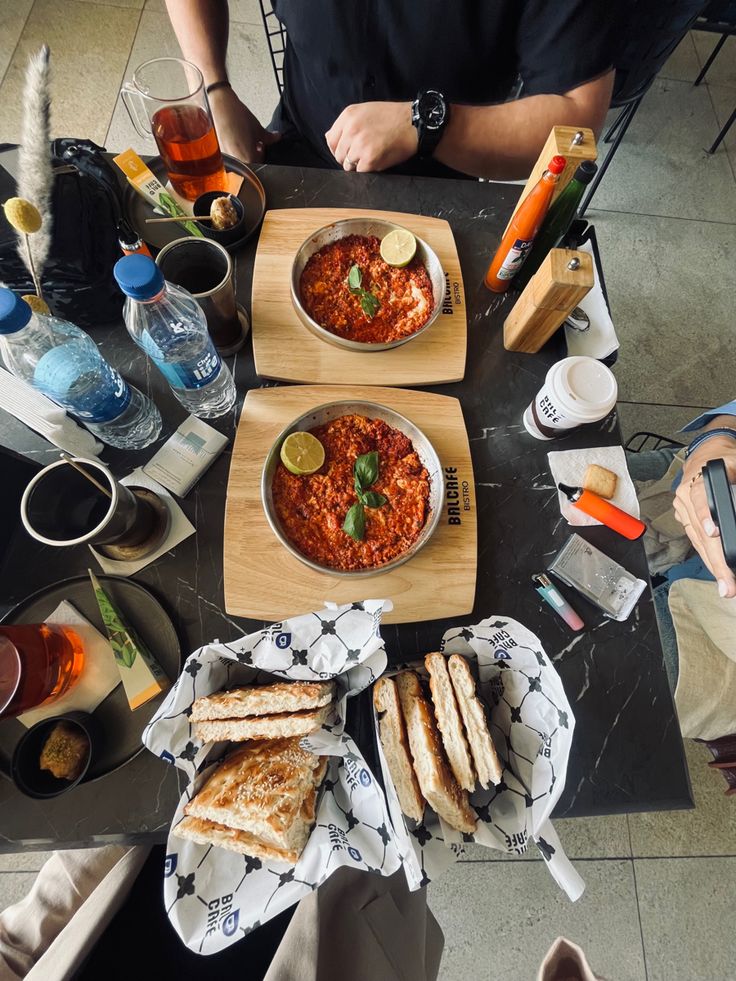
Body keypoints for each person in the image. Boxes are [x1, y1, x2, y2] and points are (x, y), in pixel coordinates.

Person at [164, 0, 616, 179]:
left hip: (446, 172)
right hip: (298, 144)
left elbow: (579, 115)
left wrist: (429, 125)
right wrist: (213, 88)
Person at [628, 399, 736, 741]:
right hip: (691, 494)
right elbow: (729, 418)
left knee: (620, 711)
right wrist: (715, 445)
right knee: (541, 475)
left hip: (717, 647)